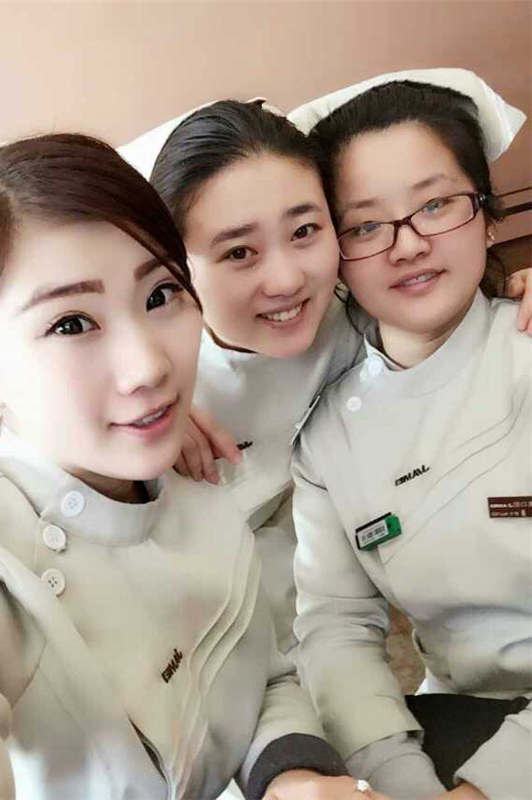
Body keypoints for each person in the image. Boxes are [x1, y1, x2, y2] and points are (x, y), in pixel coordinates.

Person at [0, 133, 388, 800]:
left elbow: (259, 671)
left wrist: (289, 775)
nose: (149, 366)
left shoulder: (192, 482)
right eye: (70, 324)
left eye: (160, 294)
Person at [150, 96, 532, 661]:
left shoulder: (359, 312)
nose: (286, 280)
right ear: (174, 268)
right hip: (207, 640)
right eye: (239, 252)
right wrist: (143, 419)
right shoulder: (151, 374)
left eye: (305, 230)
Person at [291, 80, 531, 800]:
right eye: (366, 226)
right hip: (459, 717)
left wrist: (491, 788)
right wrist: (400, 779)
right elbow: (335, 628)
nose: (408, 244)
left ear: (487, 216)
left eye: (435, 205)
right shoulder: (327, 437)